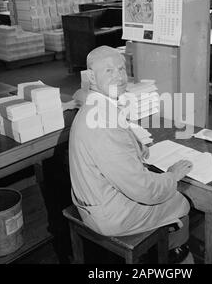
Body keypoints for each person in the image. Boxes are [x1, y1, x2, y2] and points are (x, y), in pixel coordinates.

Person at [69, 45, 194, 263]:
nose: (118, 77)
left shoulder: (94, 105)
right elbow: (143, 189)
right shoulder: (103, 123)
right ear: (91, 76)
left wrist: (134, 147)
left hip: (93, 199)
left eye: (121, 69)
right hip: (109, 214)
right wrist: (171, 176)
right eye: (109, 71)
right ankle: (173, 256)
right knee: (180, 201)